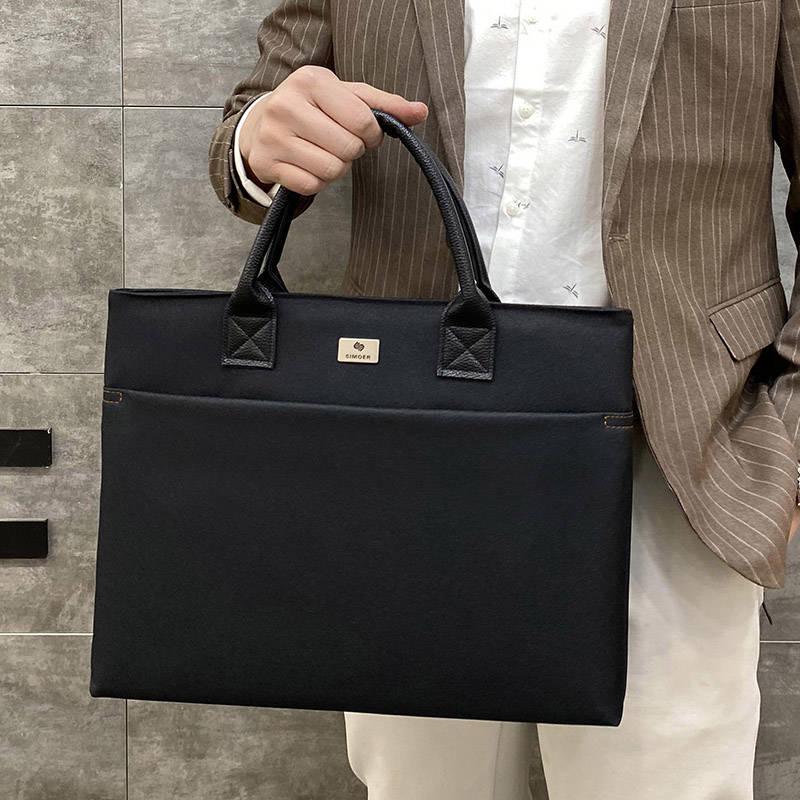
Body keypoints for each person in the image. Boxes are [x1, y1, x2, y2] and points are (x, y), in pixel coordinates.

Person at [209, 2, 800, 798]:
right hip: (408, 457)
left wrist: (791, 449)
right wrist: (258, 141)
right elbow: (250, 129)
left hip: (674, 456)